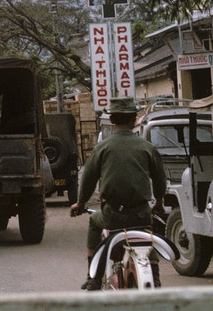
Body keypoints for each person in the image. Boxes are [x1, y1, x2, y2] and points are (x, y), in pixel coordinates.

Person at [71, 98, 167, 291]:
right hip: (141, 214)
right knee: (146, 237)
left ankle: (93, 278)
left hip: (113, 216)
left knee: (94, 222)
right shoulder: (147, 147)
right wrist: (158, 202)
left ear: (113, 120)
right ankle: (155, 279)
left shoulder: (102, 148)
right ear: (134, 119)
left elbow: (88, 180)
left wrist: (80, 203)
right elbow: (160, 180)